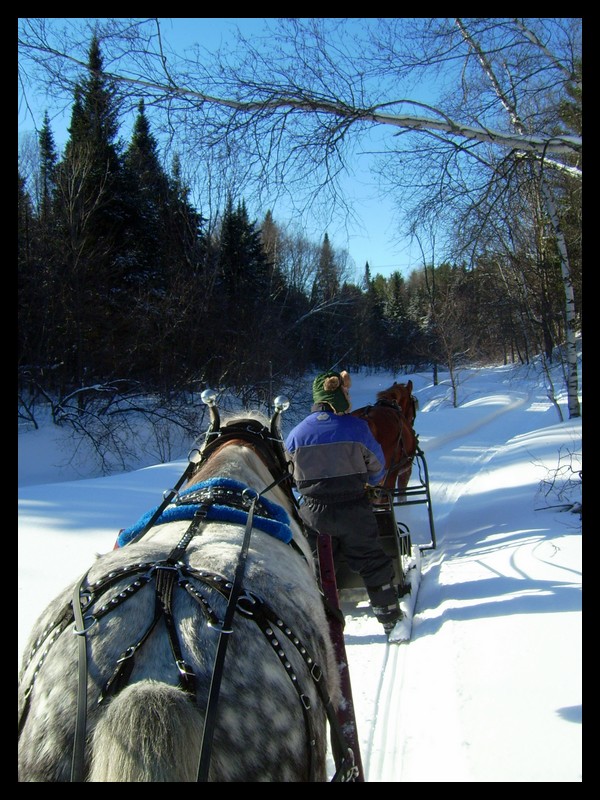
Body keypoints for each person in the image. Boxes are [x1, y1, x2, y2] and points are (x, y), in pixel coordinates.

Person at [285, 370, 402, 638]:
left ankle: (320, 625)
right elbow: (378, 469)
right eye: (346, 393)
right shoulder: (356, 428)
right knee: (371, 559)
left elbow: (290, 476)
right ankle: (390, 619)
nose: (349, 397)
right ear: (335, 395)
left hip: (313, 513)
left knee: (314, 567)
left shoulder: (296, 434)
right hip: (354, 509)